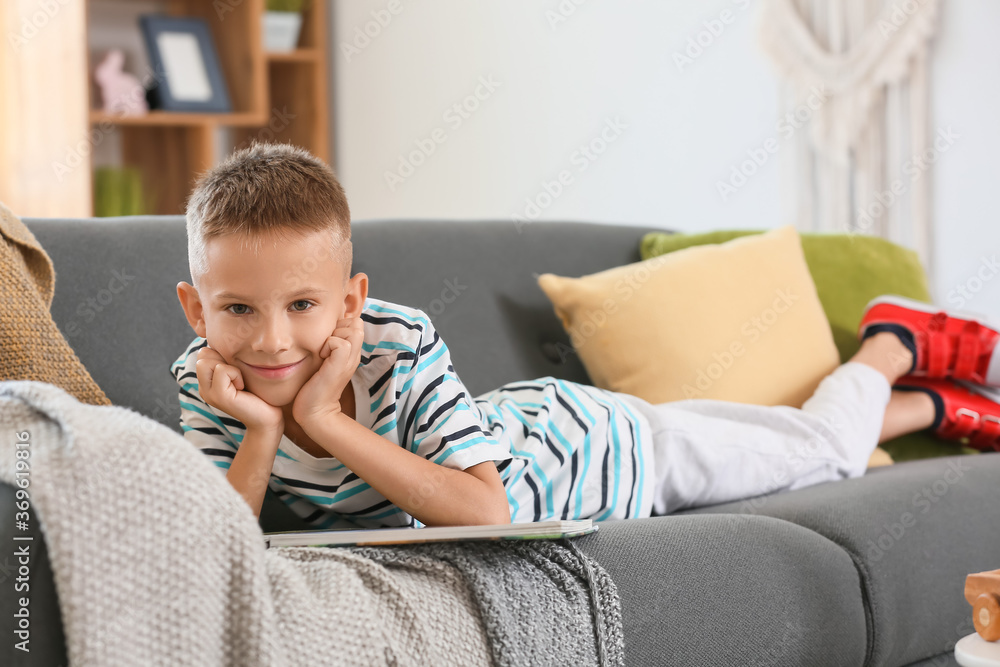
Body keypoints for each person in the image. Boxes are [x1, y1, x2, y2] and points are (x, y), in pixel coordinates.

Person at [172, 142, 1000, 530]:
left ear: (352, 300)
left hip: (609, 449)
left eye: (304, 305)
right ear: (196, 310)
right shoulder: (211, 383)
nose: (273, 341)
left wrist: (327, 422)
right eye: (238, 309)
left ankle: (889, 343)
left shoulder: (396, 342)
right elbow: (222, 532)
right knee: (800, 440)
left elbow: (486, 512)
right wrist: (267, 427)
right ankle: (928, 408)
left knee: (823, 453)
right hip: (526, 428)